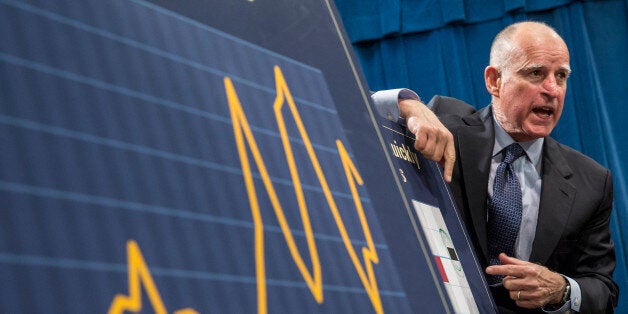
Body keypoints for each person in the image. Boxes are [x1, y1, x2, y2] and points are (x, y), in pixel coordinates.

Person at [372, 21, 618, 313]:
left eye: (561, 76)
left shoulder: (591, 181)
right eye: (536, 73)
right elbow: (363, 112)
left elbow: (602, 288)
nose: (552, 89)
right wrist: (408, 105)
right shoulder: (445, 123)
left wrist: (561, 288)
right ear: (494, 81)